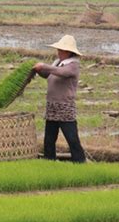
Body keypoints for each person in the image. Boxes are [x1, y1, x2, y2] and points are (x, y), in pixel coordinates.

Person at [32, 35, 86, 163]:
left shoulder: (73, 66)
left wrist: (44, 65)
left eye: (60, 50)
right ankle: (49, 162)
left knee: (72, 138)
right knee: (49, 139)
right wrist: (38, 70)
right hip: (52, 107)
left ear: (68, 52)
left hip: (65, 108)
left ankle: (80, 162)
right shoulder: (57, 62)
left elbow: (62, 72)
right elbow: (47, 74)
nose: (58, 52)